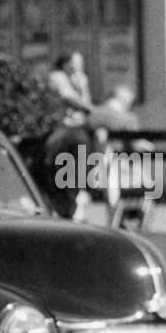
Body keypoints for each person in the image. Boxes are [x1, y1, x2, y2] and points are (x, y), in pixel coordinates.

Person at [43, 52, 95, 219]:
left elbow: (86, 103)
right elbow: (69, 97)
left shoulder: (79, 79)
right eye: (75, 63)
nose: (78, 67)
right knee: (54, 162)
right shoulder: (57, 77)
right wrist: (87, 106)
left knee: (82, 156)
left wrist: (82, 86)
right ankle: (64, 200)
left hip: (77, 128)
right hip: (61, 127)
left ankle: (76, 196)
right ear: (66, 63)